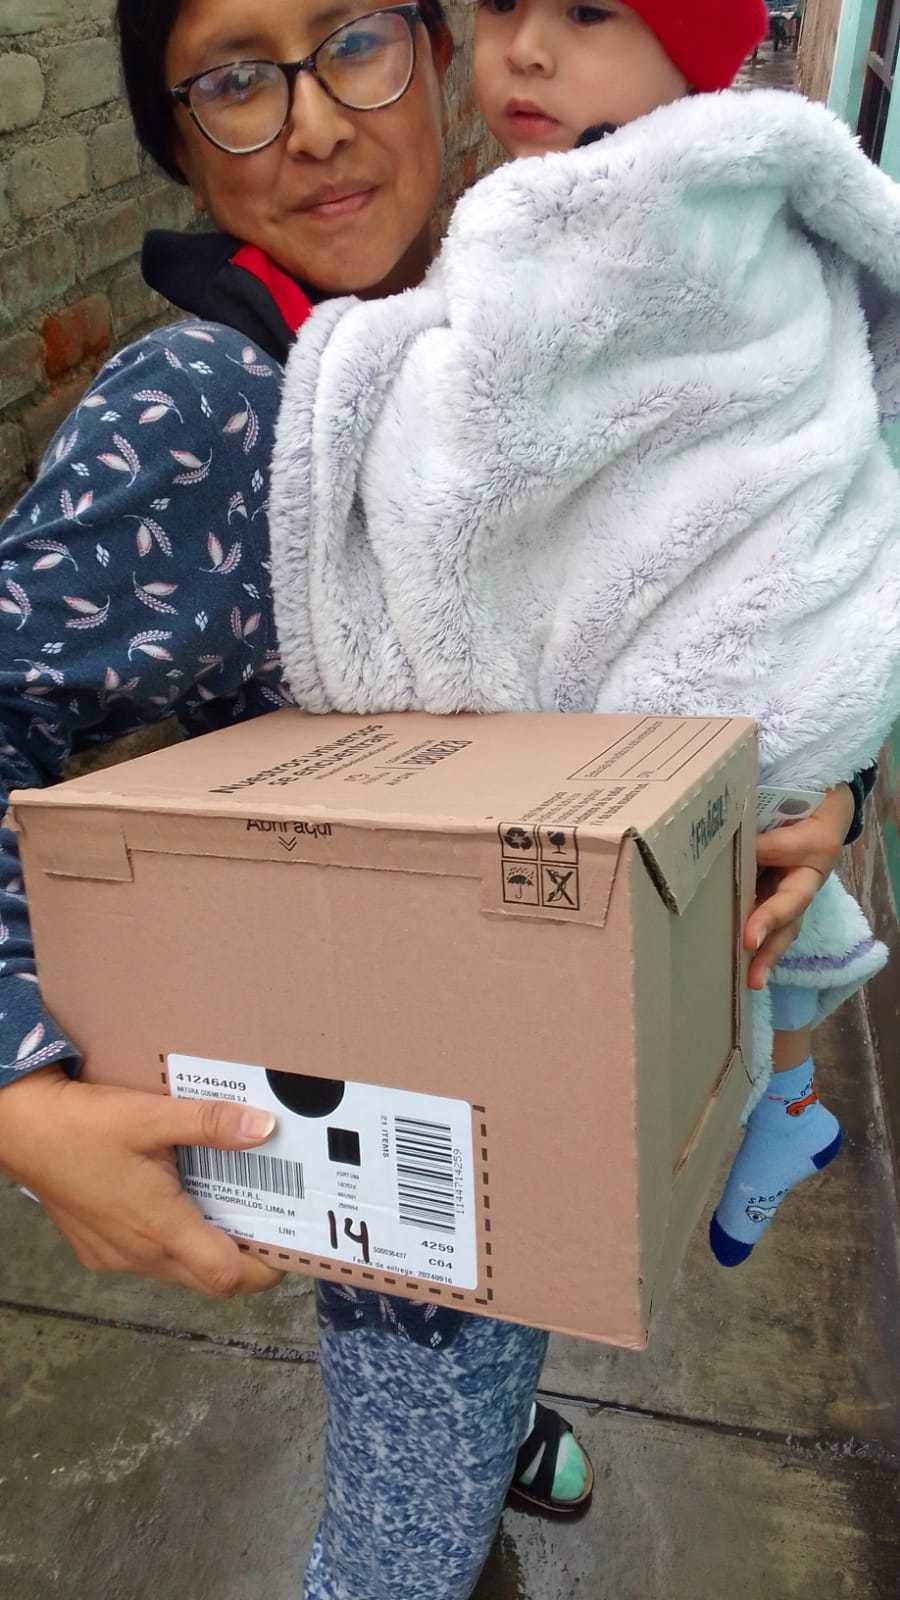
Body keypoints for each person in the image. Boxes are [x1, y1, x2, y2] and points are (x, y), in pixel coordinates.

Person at [0, 5, 877, 1598]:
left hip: (555, 1035)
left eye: (353, 41)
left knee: (523, 1273)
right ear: (177, 140)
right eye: (234, 80)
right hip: (382, 1107)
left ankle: (506, 1411)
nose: (315, 122)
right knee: (405, 1533)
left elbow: (762, 560)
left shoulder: (545, 314)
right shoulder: (208, 407)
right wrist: (16, 1097)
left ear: (433, 53)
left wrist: (827, 788)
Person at [267, 0, 896, 1276]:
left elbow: (500, 429)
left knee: (727, 890)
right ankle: (781, 1104)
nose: (526, 49)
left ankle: (766, 1104)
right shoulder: (606, 198)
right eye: (502, 5)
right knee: (739, 896)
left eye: (588, 11)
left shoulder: (655, 211)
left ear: (692, 52)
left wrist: (366, 365)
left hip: (754, 625)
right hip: (742, 685)